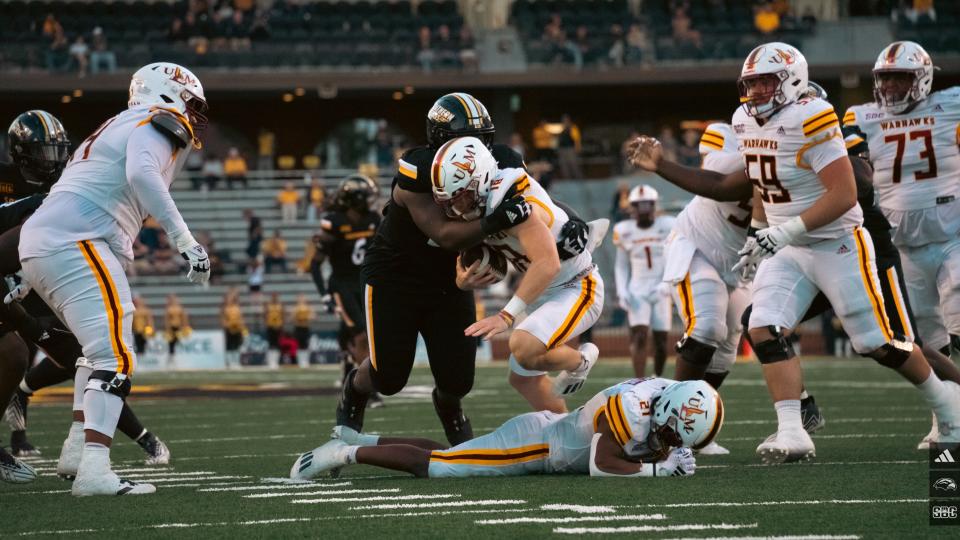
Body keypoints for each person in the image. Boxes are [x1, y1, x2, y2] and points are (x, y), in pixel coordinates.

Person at [628, 43, 960, 463]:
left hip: (835, 242)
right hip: (788, 245)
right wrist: (665, 168)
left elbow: (844, 194)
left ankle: (948, 407)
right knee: (763, 326)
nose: (756, 92)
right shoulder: (744, 121)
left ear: (792, 80)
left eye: (766, 82)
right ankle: (792, 431)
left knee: (880, 342)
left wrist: (781, 232)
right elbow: (736, 186)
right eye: (750, 84)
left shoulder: (811, 116)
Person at [338, 93, 592, 446]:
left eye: (483, 138)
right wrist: (497, 219)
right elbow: (445, 234)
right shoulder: (416, 170)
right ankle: (354, 389)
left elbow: (529, 198)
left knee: (458, 380)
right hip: (396, 276)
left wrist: (571, 221)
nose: (477, 148)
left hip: (448, 278)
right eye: (464, 141)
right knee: (390, 377)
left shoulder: (499, 160)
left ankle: (448, 406)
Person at [17, 62, 210, 495]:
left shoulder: (114, 124)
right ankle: (95, 471)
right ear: (168, 93)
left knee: (95, 352)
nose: (193, 117)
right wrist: (185, 240)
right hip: (74, 240)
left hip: (48, 241)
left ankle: (75, 452)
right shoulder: (158, 120)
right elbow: (141, 174)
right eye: (191, 105)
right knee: (116, 357)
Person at [0, 110, 170, 481]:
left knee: (91, 353)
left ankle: (83, 444)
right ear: (22, 154)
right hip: (18, 279)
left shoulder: (72, 180)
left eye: (58, 151)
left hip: (37, 280)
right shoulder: (15, 190)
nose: (55, 160)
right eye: (44, 152)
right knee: (24, 351)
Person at [434, 137, 604, 414]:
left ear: (482, 179)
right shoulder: (481, 204)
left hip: (576, 284)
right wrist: (462, 281)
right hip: (543, 289)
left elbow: (547, 263)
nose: (456, 208)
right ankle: (564, 432)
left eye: (462, 196)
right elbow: (500, 257)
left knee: (523, 347)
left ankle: (580, 361)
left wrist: (505, 316)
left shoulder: (509, 200)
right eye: (449, 201)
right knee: (524, 380)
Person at [843, 41, 960, 446]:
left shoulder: (952, 107)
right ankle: (946, 418)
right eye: (885, 77)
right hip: (901, 245)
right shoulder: (861, 116)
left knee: (959, 322)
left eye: (900, 77)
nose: (890, 86)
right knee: (924, 340)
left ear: (923, 78)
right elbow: (851, 165)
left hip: (953, 237)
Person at [291, 378, 721, 480]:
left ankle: (358, 438)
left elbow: (662, 437)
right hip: (535, 447)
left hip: (544, 431)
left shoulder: (668, 400)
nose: (668, 440)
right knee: (440, 466)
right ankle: (342, 454)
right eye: (669, 432)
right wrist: (657, 469)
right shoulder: (631, 409)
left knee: (446, 453)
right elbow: (603, 463)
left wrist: (671, 450)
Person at [311, 175, 381, 385]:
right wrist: (324, 294)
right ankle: (369, 388)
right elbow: (316, 263)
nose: (370, 201)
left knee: (361, 332)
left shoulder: (373, 220)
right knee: (361, 335)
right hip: (342, 285)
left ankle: (347, 365)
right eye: (366, 196)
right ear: (355, 199)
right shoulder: (334, 223)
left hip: (366, 283)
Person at [613, 185, 675, 379]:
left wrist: (667, 284)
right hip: (637, 289)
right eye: (639, 205)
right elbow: (621, 265)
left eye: (648, 204)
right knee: (639, 336)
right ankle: (639, 381)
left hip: (661, 288)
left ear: (655, 205)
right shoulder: (624, 230)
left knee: (662, 342)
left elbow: (677, 258)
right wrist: (622, 290)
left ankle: (657, 377)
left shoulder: (669, 225)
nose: (644, 209)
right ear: (632, 207)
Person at [221, 288, 246, 369]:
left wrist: (242, 327)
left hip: (237, 328)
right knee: (229, 345)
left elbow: (241, 318)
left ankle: (236, 362)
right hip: (229, 328)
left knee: (237, 345)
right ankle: (229, 362)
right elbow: (223, 319)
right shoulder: (225, 308)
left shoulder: (237, 308)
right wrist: (226, 326)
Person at [164, 294, 190, 367]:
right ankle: (171, 360)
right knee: (171, 343)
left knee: (177, 342)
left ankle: (173, 358)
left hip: (178, 327)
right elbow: (167, 320)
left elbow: (184, 318)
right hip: (171, 327)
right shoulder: (168, 309)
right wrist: (167, 329)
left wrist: (185, 326)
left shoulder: (180, 308)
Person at [292, 294, 314, 368]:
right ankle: (300, 361)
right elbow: (292, 317)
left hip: (305, 327)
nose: (302, 300)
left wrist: (307, 317)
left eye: (303, 299)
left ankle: (306, 361)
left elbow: (313, 316)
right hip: (298, 327)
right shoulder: (296, 308)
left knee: (305, 345)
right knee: (299, 345)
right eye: (300, 299)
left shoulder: (308, 307)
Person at [264, 292, 285, 369]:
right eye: (273, 297)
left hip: (278, 327)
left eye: (276, 297)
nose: (275, 298)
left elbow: (283, 315)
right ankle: (270, 362)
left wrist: (281, 325)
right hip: (270, 326)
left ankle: (276, 362)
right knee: (271, 345)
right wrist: (267, 324)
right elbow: (265, 315)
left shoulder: (280, 305)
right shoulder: (268, 305)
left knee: (277, 345)